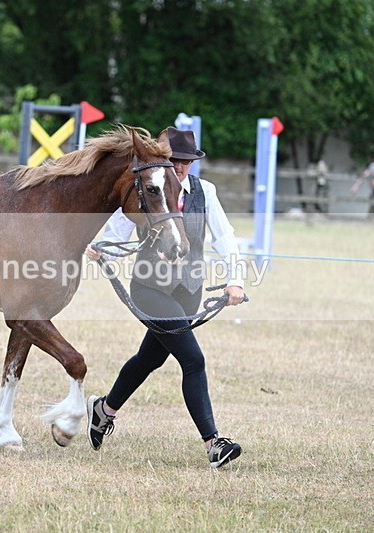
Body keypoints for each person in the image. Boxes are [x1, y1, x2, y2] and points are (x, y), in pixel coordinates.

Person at [84, 128, 246, 468]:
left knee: (149, 359)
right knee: (193, 360)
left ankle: (104, 409)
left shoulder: (205, 192)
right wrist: (103, 252)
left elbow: (225, 237)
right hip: (150, 289)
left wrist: (235, 281)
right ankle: (214, 444)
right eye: (175, 161)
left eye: (187, 161)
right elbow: (118, 231)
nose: (181, 167)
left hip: (189, 291)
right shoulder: (148, 189)